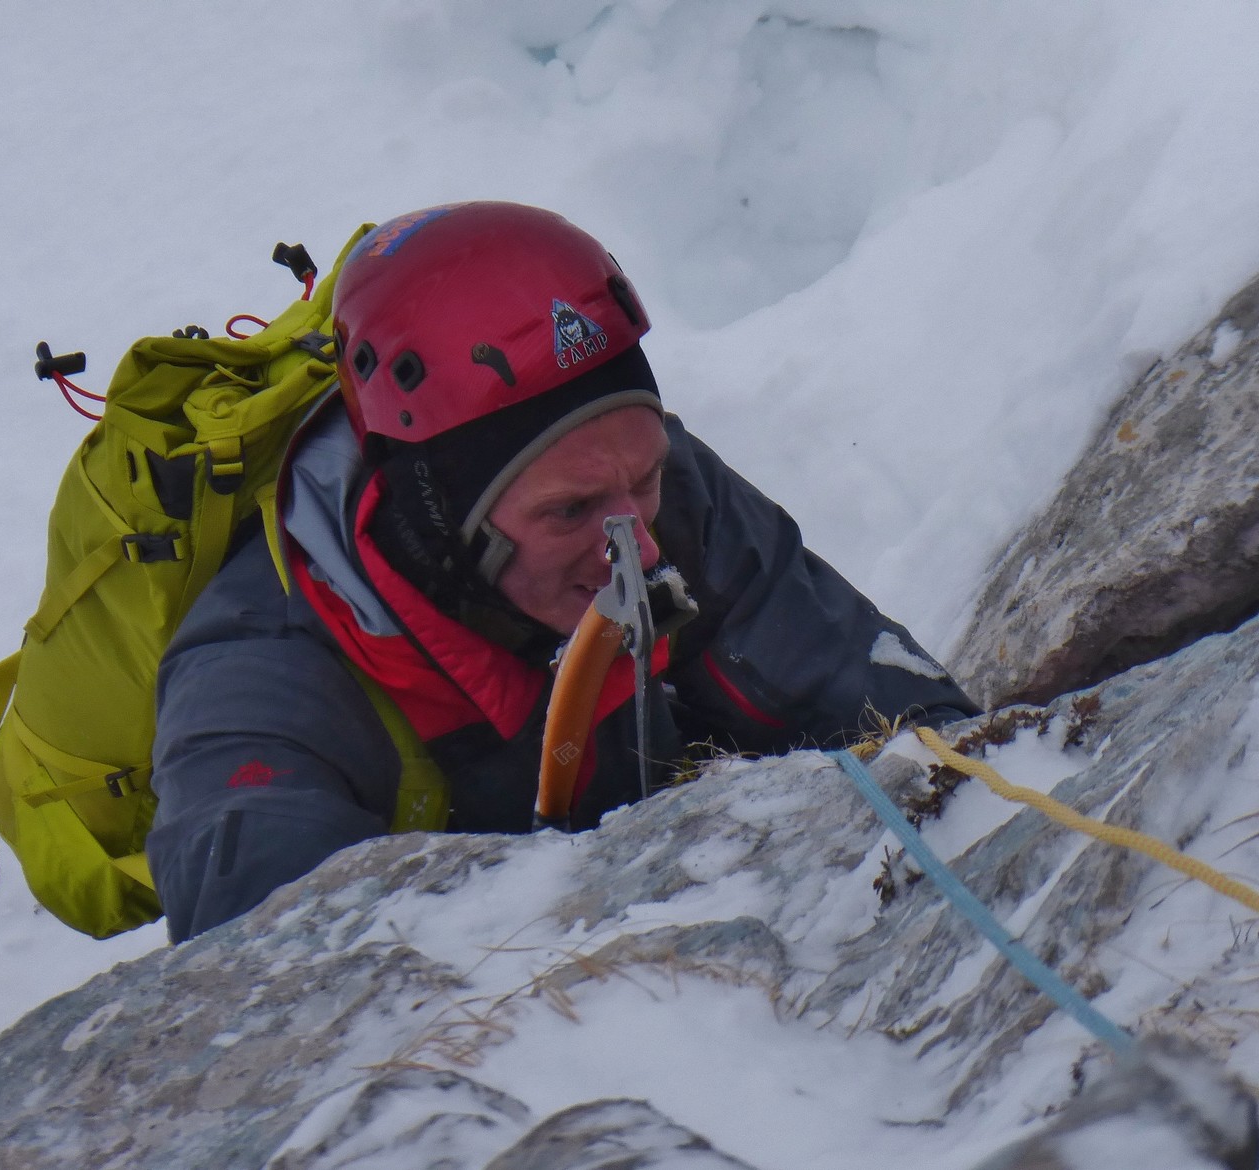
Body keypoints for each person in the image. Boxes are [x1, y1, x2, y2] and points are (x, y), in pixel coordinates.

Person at [144, 202, 980, 942]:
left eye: (645, 477)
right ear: (440, 517)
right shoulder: (258, 690)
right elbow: (282, 997)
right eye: (568, 512)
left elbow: (908, 722)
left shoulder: (657, 494)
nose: (639, 546)